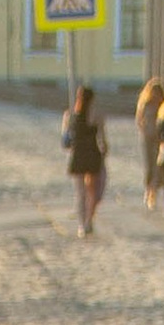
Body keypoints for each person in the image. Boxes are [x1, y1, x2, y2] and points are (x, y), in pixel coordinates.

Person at [62, 83, 107, 239]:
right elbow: (102, 138)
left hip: (78, 155)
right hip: (92, 154)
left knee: (80, 192)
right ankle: (88, 220)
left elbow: (65, 139)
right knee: (93, 191)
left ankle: (82, 224)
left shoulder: (70, 115)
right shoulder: (97, 115)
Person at [134, 75, 164, 211]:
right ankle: (148, 190)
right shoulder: (145, 104)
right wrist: (144, 130)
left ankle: (154, 192)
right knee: (149, 165)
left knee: (158, 166)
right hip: (147, 139)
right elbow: (139, 120)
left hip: (160, 139)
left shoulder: (163, 105)